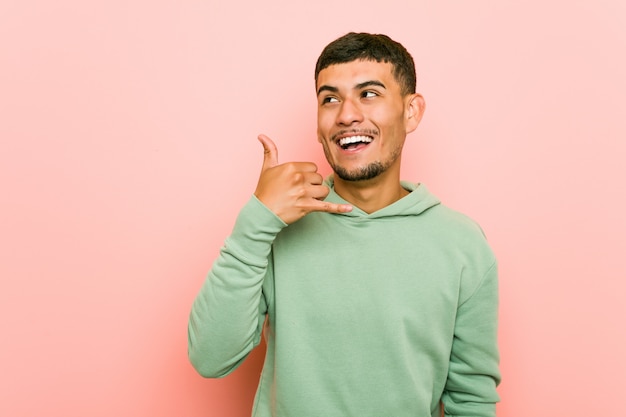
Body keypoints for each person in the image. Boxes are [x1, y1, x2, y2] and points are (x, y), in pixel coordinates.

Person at [188, 32, 500, 417]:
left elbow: (471, 400)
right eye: (329, 99)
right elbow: (209, 357)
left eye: (368, 94)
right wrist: (256, 222)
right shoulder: (278, 227)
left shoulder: (463, 245)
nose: (346, 115)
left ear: (411, 111)